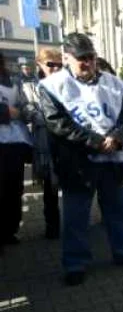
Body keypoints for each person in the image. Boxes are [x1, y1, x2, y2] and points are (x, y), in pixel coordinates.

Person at [38, 33, 123, 286]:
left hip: (114, 159)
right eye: (81, 59)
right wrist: (97, 142)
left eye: (91, 57)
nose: (87, 63)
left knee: (119, 209)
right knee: (76, 216)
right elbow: (57, 123)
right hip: (78, 161)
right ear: (67, 58)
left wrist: (118, 137)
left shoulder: (114, 82)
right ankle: (75, 263)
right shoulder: (53, 85)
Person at [22, 48, 64, 240]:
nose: (55, 68)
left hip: (66, 141)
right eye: (50, 64)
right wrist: (52, 117)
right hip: (45, 142)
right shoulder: (31, 87)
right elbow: (29, 112)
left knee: (72, 184)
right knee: (50, 187)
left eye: (59, 64)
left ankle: (74, 224)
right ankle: (52, 226)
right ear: (39, 65)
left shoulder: (67, 85)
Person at [0, 52, 33, 251]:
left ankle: (9, 230)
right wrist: (5, 112)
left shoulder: (11, 80)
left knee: (14, 188)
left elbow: (21, 104)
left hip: (14, 141)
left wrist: (26, 111)